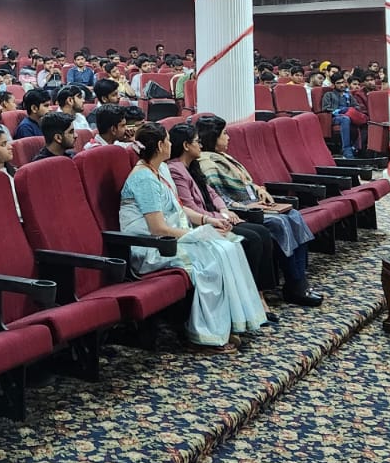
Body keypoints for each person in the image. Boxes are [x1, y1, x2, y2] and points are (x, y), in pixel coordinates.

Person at [118, 123, 266, 353]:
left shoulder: (160, 169)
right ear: (160, 145)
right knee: (211, 260)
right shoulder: (143, 179)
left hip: (170, 239)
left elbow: (180, 208)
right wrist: (197, 234)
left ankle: (227, 324)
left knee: (229, 246)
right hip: (152, 248)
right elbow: (157, 228)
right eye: (168, 140)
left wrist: (207, 221)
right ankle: (203, 335)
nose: (171, 144)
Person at [189, 115, 321, 306]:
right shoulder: (206, 163)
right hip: (241, 212)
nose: (228, 137)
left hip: (254, 206)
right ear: (212, 137)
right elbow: (218, 199)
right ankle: (295, 284)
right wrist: (248, 207)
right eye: (224, 134)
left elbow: (246, 184)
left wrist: (259, 189)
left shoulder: (224, 157)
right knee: (280, 222)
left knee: (294, 215)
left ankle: (300, 280)